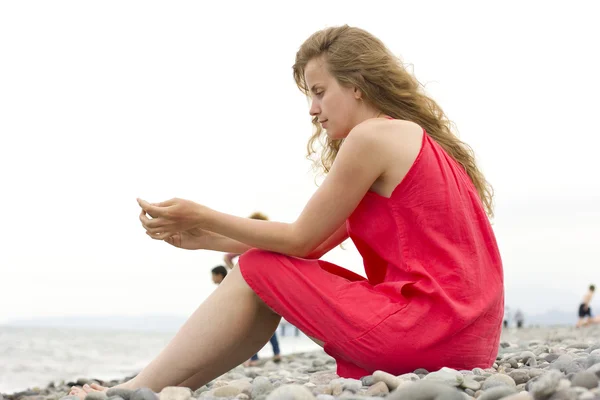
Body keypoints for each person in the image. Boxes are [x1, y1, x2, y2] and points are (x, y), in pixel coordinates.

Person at [69, 25, 503, 397]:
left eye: (319, 92)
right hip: (465, 343)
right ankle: (154, 391)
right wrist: (205, 239)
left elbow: (300, 240)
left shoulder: (372, 137)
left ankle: (130, 391)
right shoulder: (409, 140)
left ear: (357, 84)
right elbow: (307, 244)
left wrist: (205, 216)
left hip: (425, 332)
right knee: (263, 267)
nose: (313, 110)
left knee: (259, 267)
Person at [223, 212, 282, 366]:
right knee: (267, 320)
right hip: (268, 285)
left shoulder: (247, 242)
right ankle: (276, 353)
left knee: (251, 323)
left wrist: (237, 272)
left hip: (253, 286)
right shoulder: (270, 242)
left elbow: (227, 257)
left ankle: (254, 358)